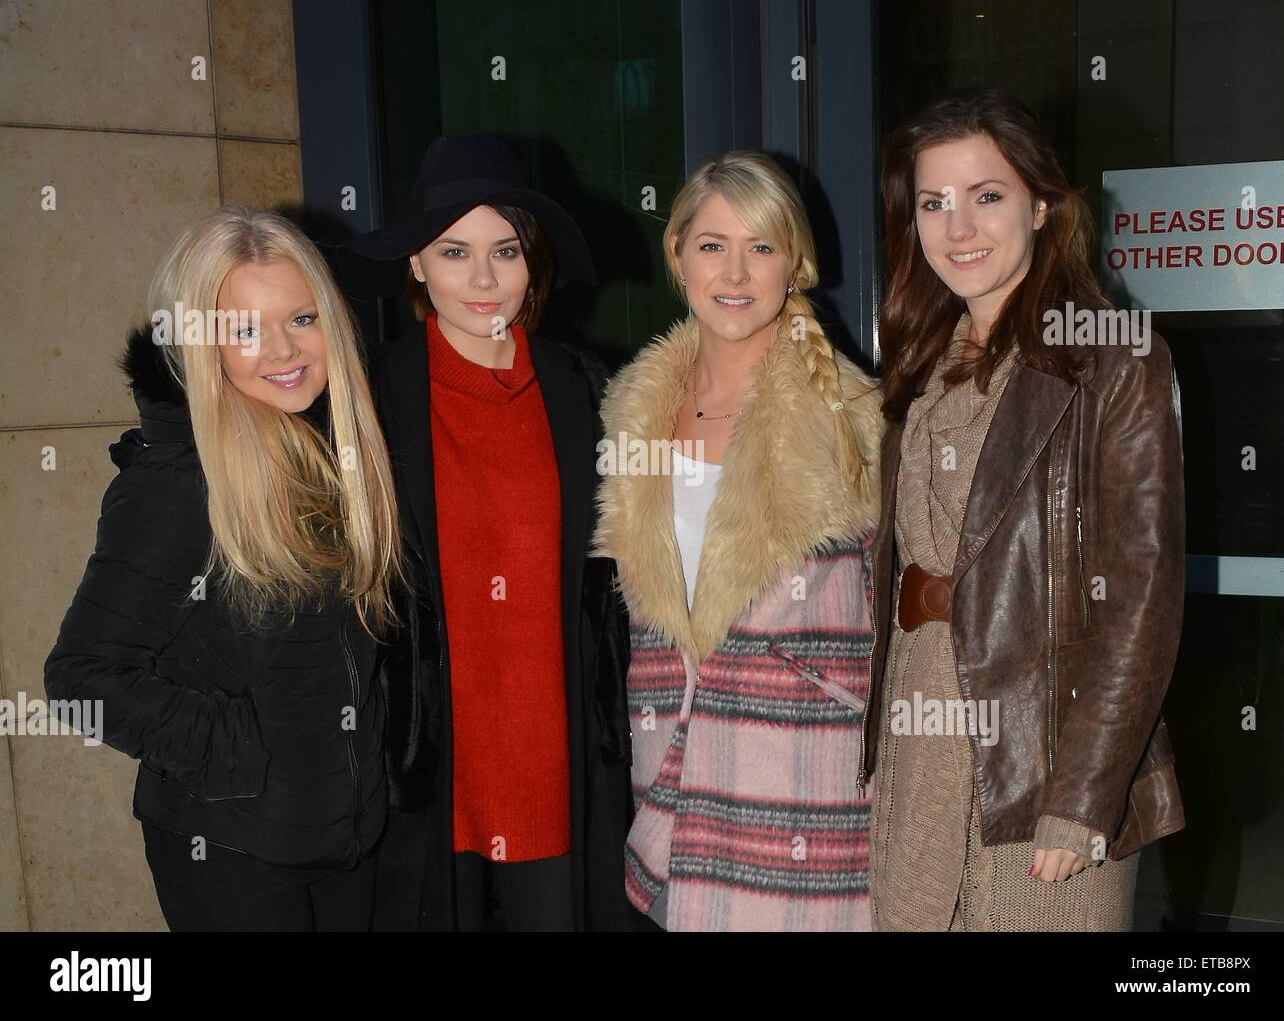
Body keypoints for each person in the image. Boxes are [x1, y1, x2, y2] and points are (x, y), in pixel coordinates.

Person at [864, 88, 1186, 931]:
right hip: (919, 740)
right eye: (933, 203)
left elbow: (1142, 599)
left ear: (1042, 204)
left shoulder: (1113, 355)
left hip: (1043, 765)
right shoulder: (919, 362)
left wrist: (1084, 798)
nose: (957, 226)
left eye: (987, 195)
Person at [44, 205, 401, 931]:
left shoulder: (334, 451)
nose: (283, 349)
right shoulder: (180, 479)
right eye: (244, 329)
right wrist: (242, 751)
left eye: (302, 319)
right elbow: (79, 677)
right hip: (228, 849)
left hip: (341, 832)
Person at [591, 150, 885, 931]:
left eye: (761, 247)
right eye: (713, 244)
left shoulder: (856, 417)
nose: (735, 270)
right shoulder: (630, 411)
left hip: (801, 789)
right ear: (678, 254)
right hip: (678, 790)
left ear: (795, 265)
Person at [346, 134, 634, 931]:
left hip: (558, 752)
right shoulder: (369, 397)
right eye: (453, 251)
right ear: (415, 263)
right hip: (429, 761)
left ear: (530, 261)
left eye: (504, 250)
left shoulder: (587, 388)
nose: (481, 279)